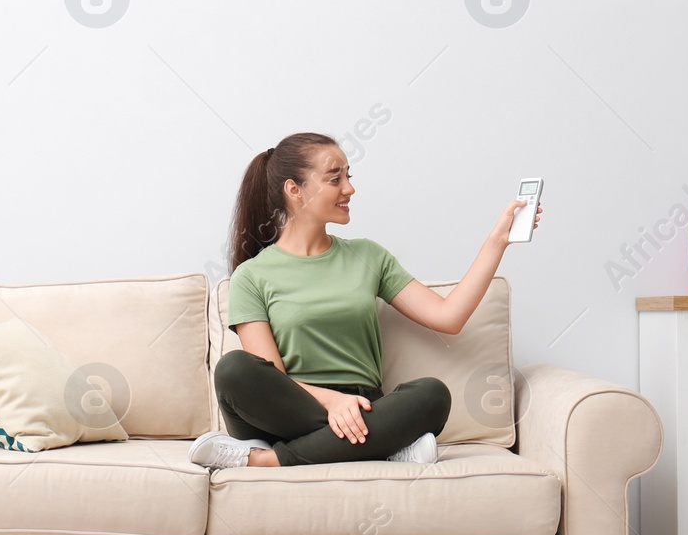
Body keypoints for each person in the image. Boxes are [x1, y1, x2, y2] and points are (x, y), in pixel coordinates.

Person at [190, 132, 542, 471]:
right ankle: (380, 447)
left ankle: (269, 459)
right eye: (334, 178)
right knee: (234, 370)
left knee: (432, 395)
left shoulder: (368, 256)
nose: (349, 188)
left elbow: (448, 316)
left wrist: (498, 241)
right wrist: (331, 401)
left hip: (365, 407)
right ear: (294, 190)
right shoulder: (252, 275)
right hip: (291, 409)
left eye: (348, 176)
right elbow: (270, 377)